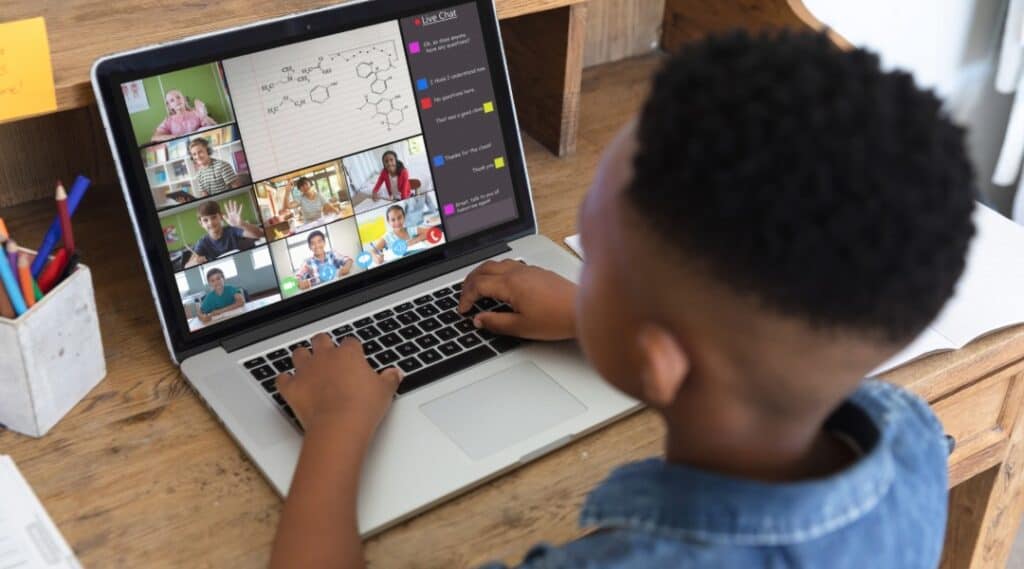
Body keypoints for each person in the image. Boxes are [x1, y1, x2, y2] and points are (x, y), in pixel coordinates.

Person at [268, 31, 977, 568]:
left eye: (595, 262)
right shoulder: (910, 436)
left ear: (659, 359)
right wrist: (602, 315)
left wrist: (335, 428)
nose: (575, 272)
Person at [184, 199, 265, 268]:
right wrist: (195, 262)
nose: (211, 223)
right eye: (205, 220)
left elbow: (261, 234)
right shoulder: (202, 243)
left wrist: (242, 224)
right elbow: (187, 266)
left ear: (221, 217)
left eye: (214, 217)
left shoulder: (232, 230)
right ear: (201, 223)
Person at [151, 89, 218, 142]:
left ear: (184, 99)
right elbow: (154, 138)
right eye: (172, 100)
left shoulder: (196, 113)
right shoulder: (168, 121)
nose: (177, 101)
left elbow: (215, 125)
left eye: (178, 97)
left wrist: (207, 120)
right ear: (169, 106)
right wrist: (174, 137)